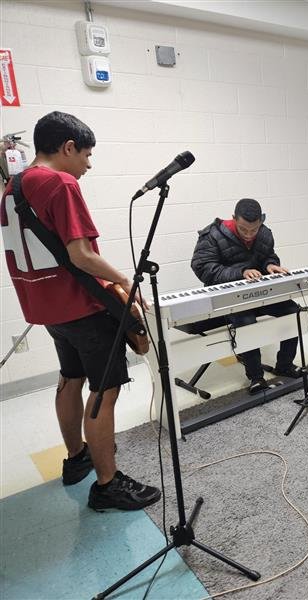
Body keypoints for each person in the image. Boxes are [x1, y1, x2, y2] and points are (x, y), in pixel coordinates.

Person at [0, 111, 161, 510]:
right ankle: (107, 484)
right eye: (86, 155)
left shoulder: (11, 187)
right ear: (67, 148)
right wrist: (124, 281)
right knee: (104, 393)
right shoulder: (60, 181)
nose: (88, 164)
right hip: (82, 307)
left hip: (46, 308)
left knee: (69, 379)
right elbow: (82, 255)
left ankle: (76, 458)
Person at [191, 198, 302, 394]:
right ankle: (256, 378)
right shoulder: (212, 235)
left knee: (293, 312)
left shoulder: (265, 233)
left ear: (261, 221)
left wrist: (270, 265)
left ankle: (284, 364)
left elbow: (268, 255)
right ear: (234, 219)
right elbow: (203, 268)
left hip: (260, 294)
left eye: (254, 230)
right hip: (228, 299)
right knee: (246, 322)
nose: (249, 235)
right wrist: (241, 272)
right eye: (243, 229)